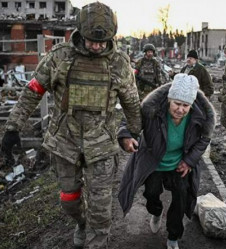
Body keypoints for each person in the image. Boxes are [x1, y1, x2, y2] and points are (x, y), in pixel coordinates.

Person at [1, 2, 142, 249]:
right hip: (65, 142)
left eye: (103, 41)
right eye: (91, 41)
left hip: (101, 145)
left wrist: (132, 131)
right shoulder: (60, 57)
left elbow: (131, 102)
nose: (97, 46)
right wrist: (13, 127)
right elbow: (33, 91)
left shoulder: (119, 62)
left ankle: (98, 241)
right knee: (69, 200)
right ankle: (81, 222)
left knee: (101, 207)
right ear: (80, 32)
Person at [117, 74, 216, 249]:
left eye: (186, 105)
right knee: (151, 193)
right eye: (177, 103)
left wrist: (189, 161)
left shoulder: (198, 117)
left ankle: (173, 237)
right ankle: (156, 212)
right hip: (154, 162)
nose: (180, 109)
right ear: (169, 100)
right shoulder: (152, 110)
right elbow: (130, 123)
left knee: (181, 198)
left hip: (179, 164)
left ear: (191, 105)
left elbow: (204, 140)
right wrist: (126, 136)